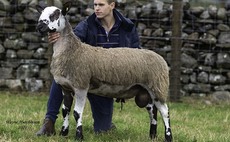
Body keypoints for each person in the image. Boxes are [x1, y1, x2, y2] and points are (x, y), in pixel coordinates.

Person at [36, 0, 139, 136]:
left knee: (102, 130)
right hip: (84, 75)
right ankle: (49, 122)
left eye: (101, 5)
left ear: (112, 5)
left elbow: (136, 56)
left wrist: (127, 81)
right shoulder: (87, 24)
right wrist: (59, 37)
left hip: (105, 82)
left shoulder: (127, 27)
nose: (96, 8)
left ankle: (106, 123)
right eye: (95, 5)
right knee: (60, 76)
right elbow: (73, 41)